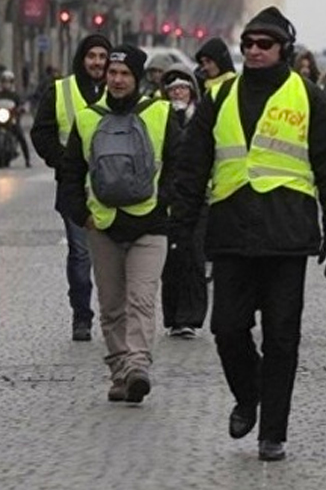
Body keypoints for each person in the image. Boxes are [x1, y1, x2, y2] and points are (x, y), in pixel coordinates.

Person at [173, 6, 326, 461]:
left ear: (283, 50)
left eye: (264, 44)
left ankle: (273, 432)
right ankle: (249, 393)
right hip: (231, 230)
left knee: (282, 338)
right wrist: (180, 226)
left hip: (287, 234)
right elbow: (193, 163)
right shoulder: (220, 96)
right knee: (226, 329)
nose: (253, 51)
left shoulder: (309, 96)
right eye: (248, 43)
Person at [58, 45, 181, 403]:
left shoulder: (159, 113)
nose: (117, 79)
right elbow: (71, 172)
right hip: (103, 224)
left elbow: (179, 163)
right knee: (112, 305)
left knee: (141, 299)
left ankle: (138, 365)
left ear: (137, 78)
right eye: (112, 73)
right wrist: (81, 214)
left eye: (125, 74)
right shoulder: (87, 117)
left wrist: (165, 204)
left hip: (149, 224)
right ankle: (119, 371)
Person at [31, 33, 111, 340]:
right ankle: (82, 316)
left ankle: (114, 315)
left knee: (112, 256)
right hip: (74, 188)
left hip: (115, 189)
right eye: (92, 56)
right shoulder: (60, 91)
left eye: (103, 57)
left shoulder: (119, 87)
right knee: (80, 255)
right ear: (82, 58)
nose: (97, 63)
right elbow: (42, 133)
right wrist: (64, 162)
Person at [159, 63, 208, 338]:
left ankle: (192, 316)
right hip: (169, 197)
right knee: (172, 259)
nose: (178, 93)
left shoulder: (202, 119)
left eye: (183, 88)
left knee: (194, 257)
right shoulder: (160, 117)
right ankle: (174, 317)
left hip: (199, 197)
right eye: (173, 89)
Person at [0, 70, 32, 167]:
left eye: (9, 81)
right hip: (0, 118)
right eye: (4, 81)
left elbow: (22, 104)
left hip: (11, 120)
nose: (6, 84)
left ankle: (27, 160)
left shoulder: (15, 95)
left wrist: (22, 109)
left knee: (21, 136)